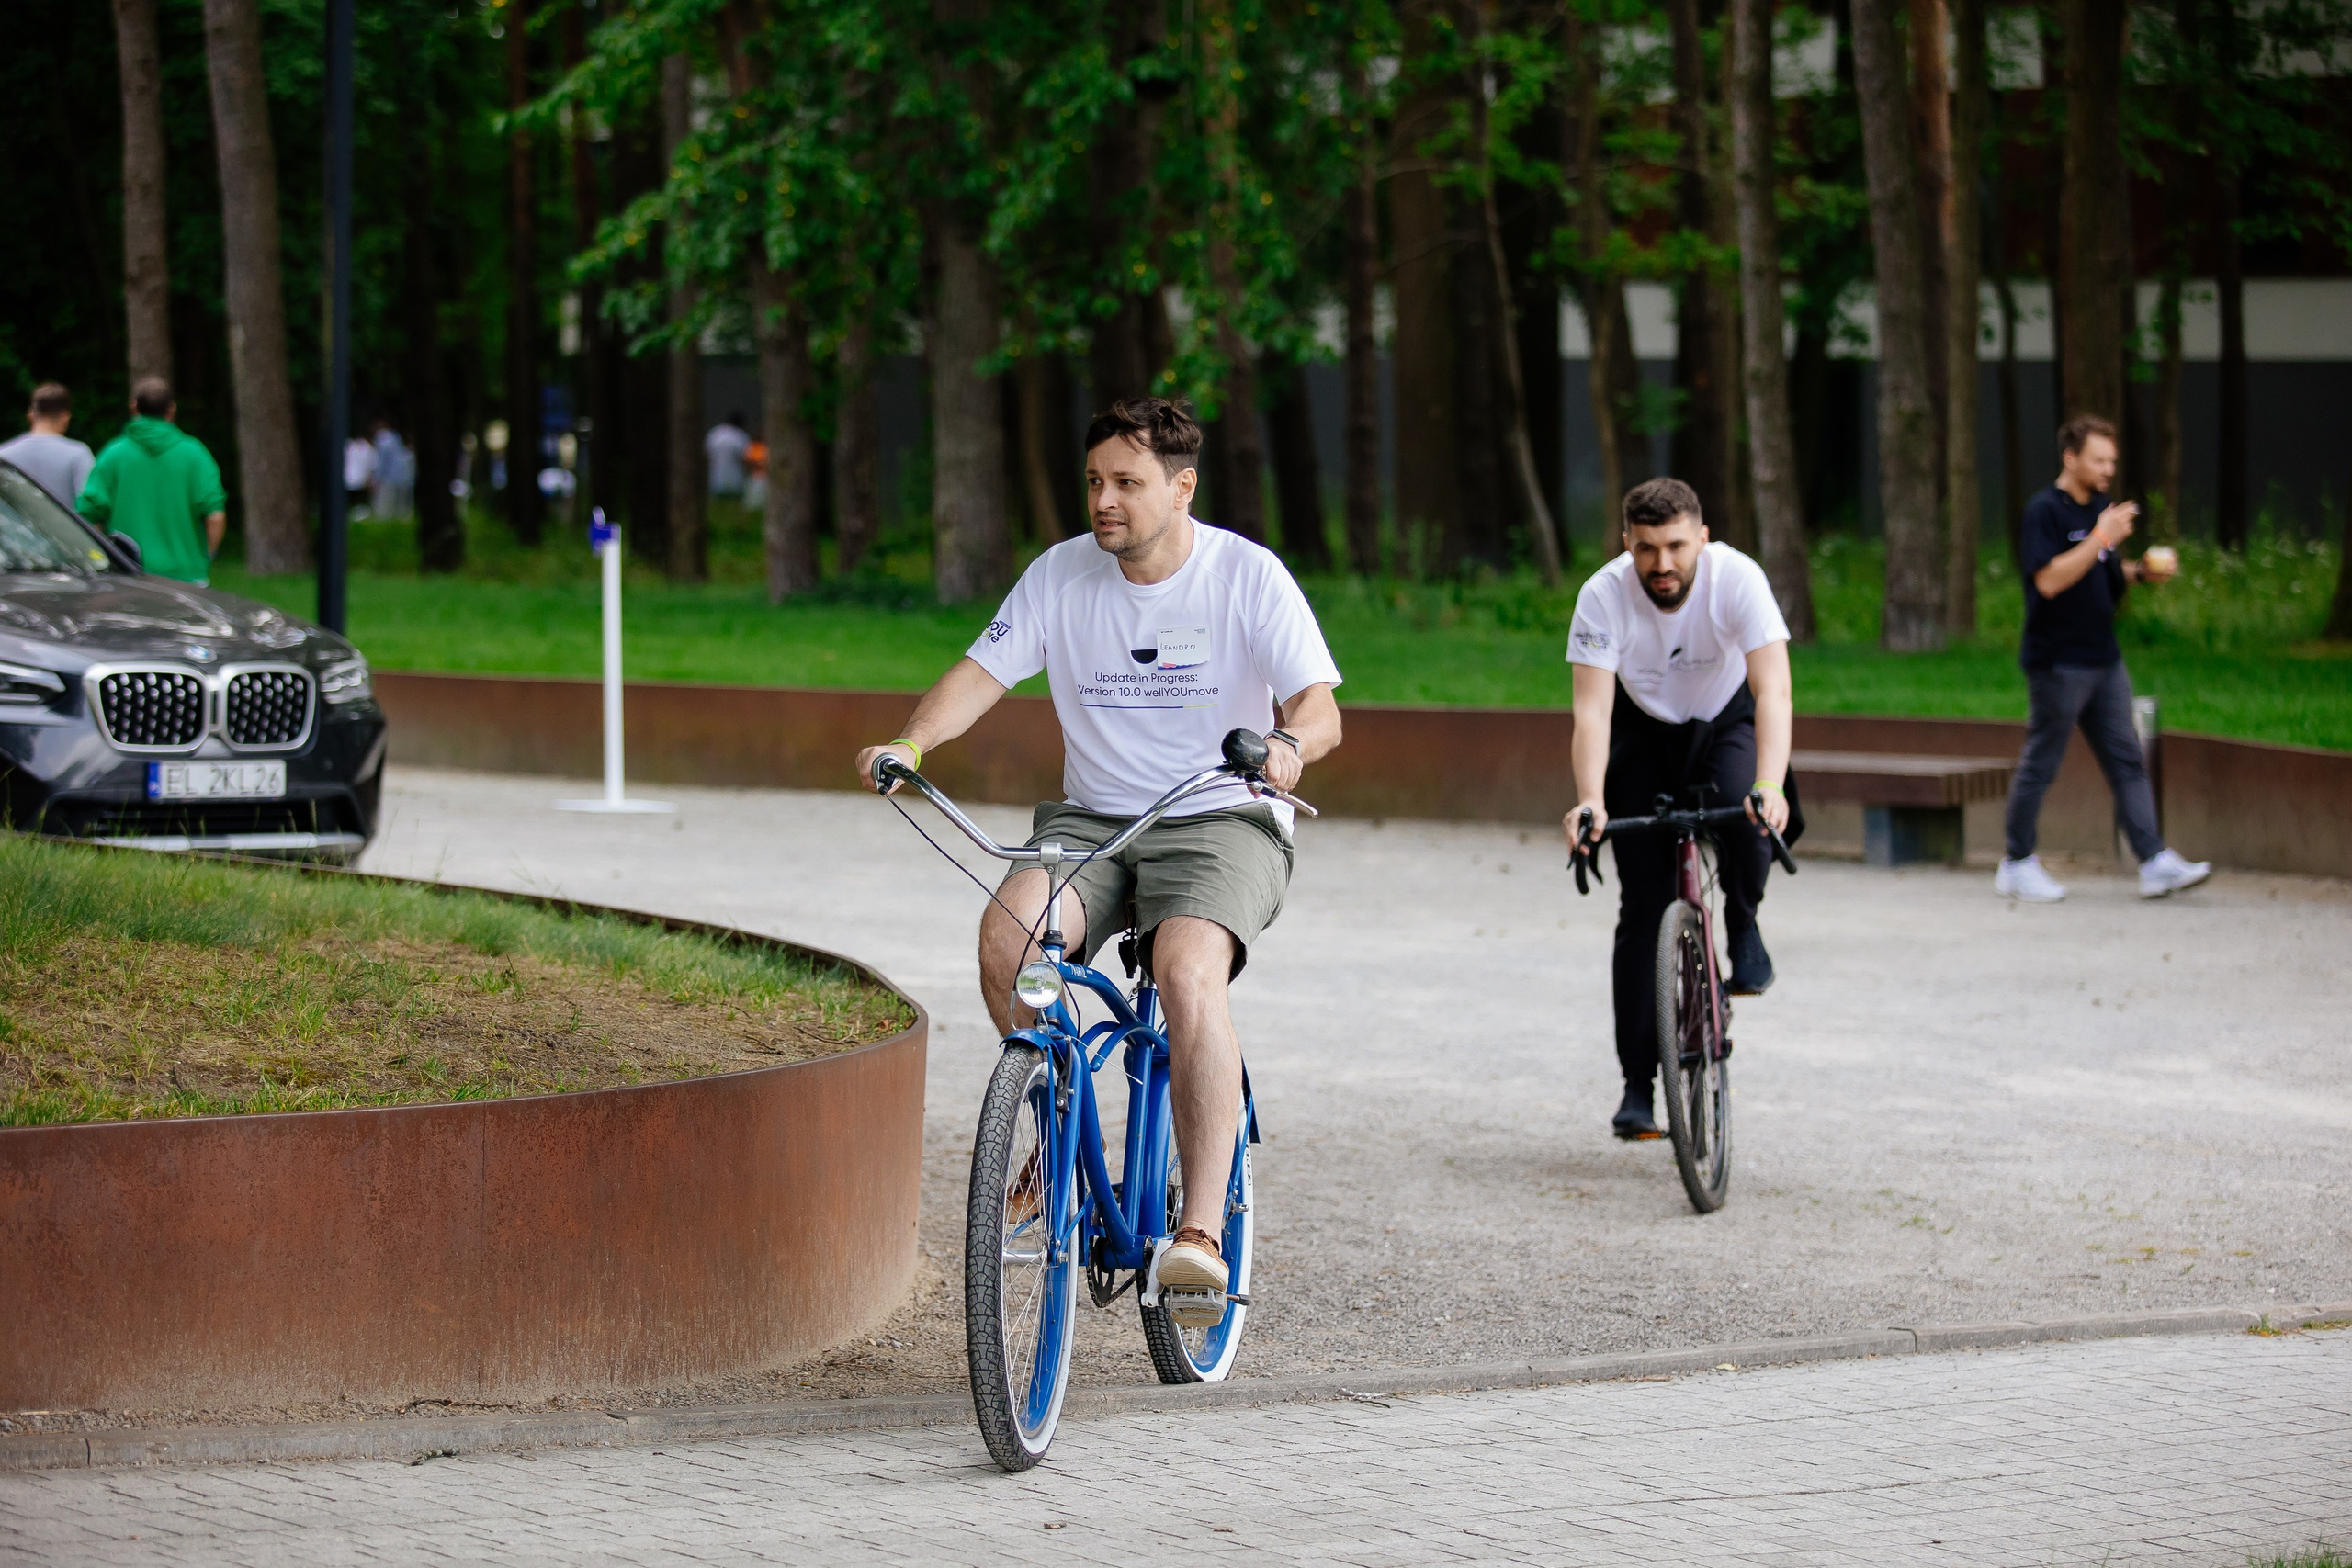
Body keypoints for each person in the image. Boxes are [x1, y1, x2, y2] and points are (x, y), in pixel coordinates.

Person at [854, 397, 1342, 1323]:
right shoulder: (1061, 576)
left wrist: (1287, 745)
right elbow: (978, 676)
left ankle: (1196, 1235)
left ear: (1181, 487)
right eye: (1094, 482)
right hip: (1091, 825)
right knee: (1008, 941)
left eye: (1126, 482)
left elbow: (1321, 708)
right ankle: (1047, 1129)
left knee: (1186, 971)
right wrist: (910, 744)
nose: (1103, 501)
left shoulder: (1247, 576)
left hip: (1218, 819)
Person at [1563, 478, 1798, 1141]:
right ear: (1626, 545)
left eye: (1674, 547)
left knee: (1745, 805)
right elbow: (1591, 711)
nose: (1661, 565)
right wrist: (1590, 799)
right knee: (1642, 909)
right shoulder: (1602, 595)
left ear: (1702, 537)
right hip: (1643, 732)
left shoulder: (1739, 580)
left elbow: (1774, 690)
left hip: (1725, 720)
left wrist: (1772, 784)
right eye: (1645, 550)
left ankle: (1745, 924)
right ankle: (1639, 1084)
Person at [1996, 417, 2211, 902]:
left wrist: (2140, 572)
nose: (2108, 468)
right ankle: (2016, 861)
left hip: (2103, 659)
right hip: (2058, 662)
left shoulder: (2097, 510)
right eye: (2099, 459)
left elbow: (2103, 573)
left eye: (2112, 460)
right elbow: (2049, 581)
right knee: (2042, 763)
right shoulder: (2044, 513)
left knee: (2128, 760)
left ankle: (2154, 861)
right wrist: (2100, 537)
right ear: (2070, 458)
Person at [74, 377, 225, 585]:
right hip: (187, 574)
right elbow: (215, 516)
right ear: (171, 410)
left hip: (128, 573)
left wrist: (104, 557)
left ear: (133, 408)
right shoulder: (195, 454)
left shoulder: (114, 454)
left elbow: (89, 514)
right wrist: (206, 554)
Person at [0, 383, 96, 506]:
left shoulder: (4, 454)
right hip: (62, 526)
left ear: (31, 414)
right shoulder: (79, 454)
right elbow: (90, 507)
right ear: (65, 417)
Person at [706, 412, 752, 496]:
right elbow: (747, 458)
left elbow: (707, 453)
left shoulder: (716, 433)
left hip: (715, 479)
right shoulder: (740, 436)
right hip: (736, 481)